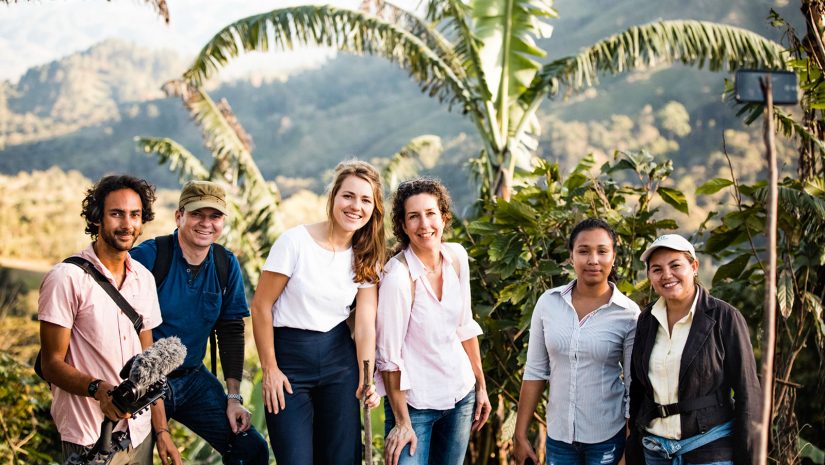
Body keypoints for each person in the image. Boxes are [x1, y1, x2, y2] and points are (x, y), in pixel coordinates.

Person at [250, 159, 384, 464]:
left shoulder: (366, 255)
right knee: (295, 459)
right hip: (288, 363)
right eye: (348, 196)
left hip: (340, 362)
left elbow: (364, 324)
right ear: (333, 197)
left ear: (373, 209)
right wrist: (270, 369)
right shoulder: (295, 242)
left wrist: (367, 378)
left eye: (365, 200)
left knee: (340, 458)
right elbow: (260, 306)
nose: (355, 206)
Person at [130, 180, 268, 465]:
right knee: (135, 457)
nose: (206, 223)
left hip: (192, 378)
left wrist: (233, 398)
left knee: (250, 448)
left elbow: (230, 331)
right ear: (179, 216)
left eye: (215, 216)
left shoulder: (225, 264)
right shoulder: (150, 257)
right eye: (197, 214)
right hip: (144, 379)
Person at [38, 175, 163, 465]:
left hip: (138, 433)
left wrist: (162, 430)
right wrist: (99, 390)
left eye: (135, 215)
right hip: (88, 438)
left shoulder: (144, 279)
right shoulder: (66, 278)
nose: (127, 224)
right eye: (116, 214)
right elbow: (51, 364)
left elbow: (149, 362)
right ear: (96, 218)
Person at [376, 177, 492, 465]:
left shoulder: (456, 257)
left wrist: (480, 386)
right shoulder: (398, 278)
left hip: (459, 394)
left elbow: (464, 326)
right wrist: (402, 421)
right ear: (403, 226)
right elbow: (389, 358)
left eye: (430, 214)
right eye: (413, 217)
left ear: (444, 218)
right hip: (414, 405)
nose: (424, 224)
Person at [513, 218, 641, 465]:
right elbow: (535, 371)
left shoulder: (628, 314)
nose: (593, 259)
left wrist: (629, 445)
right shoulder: (548, 303)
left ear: (613, 257)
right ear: (571, 256)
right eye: (583, 251)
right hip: (559, 438)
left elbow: (633, 387)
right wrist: (520, 434)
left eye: (602, 251)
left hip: (607, 439)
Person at [626, 234, 760, 465]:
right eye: (657, 269)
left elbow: (747, 390)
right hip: (655, 449)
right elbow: (638, 387)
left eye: (675, 265)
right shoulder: (647, 320)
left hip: (710, 446)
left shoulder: (724, 317)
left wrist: (748, 454)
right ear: (649, 276)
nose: (666, 275)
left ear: (694, 267)